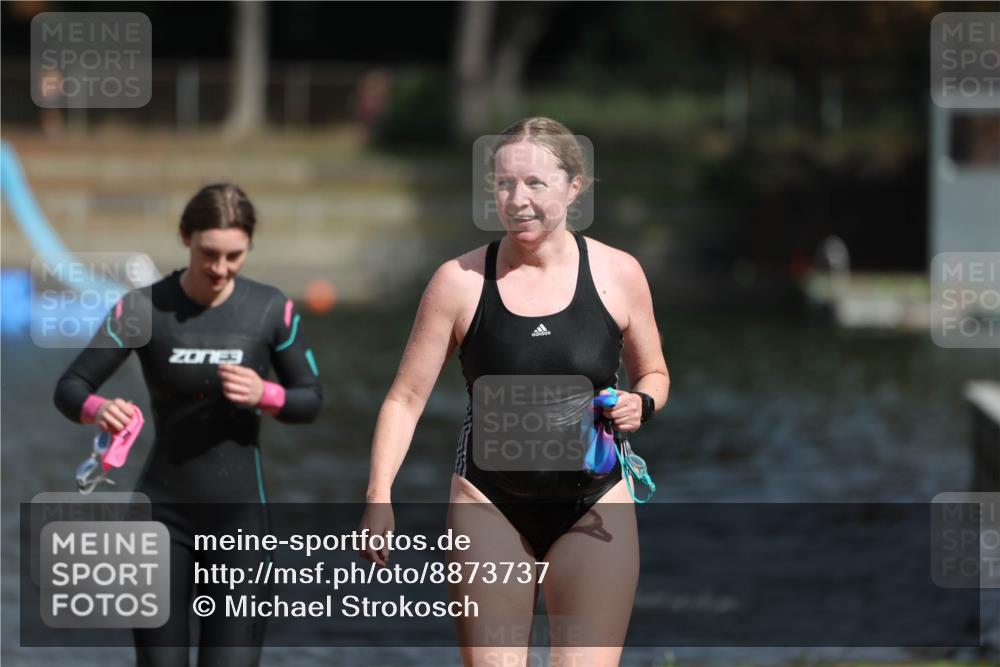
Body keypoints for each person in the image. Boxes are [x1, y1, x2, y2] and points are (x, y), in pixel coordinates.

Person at [360, 117, 669, 666]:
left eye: (534, 184)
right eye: (504, 185)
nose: (517, 200)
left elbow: (656, 376)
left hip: (595, 502)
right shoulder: (459, 282)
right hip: (488, 503)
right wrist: (379, 497)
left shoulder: (619, 274)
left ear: (574, 187)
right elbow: (404, 400)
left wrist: (639, 404)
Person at [54, 183, 323, 666]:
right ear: (185, 238)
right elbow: (70, 386)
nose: (220, 269)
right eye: (209, 253)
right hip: (161, 520)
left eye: (234, 256)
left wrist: (267, 394)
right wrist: (100, 409)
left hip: (238, 526)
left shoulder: (269, 309)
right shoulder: (141, 309)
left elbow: (311, 401)